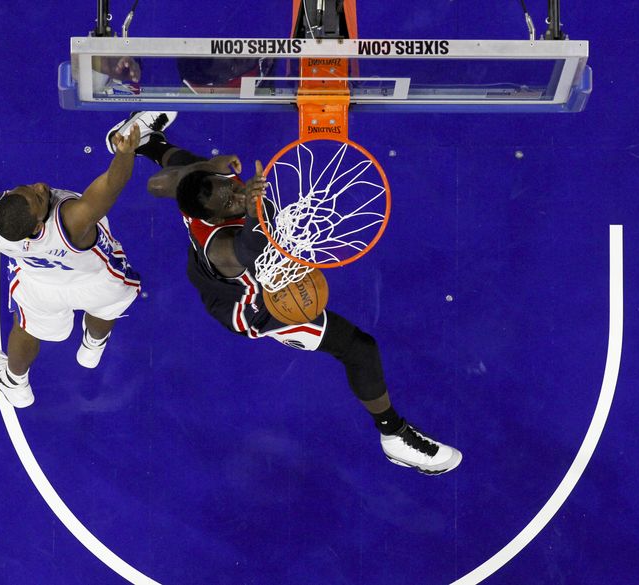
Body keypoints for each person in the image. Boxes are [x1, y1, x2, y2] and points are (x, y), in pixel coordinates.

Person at [106, 112, 463, 474]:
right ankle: (394, 437)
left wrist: (202, 162)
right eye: (229, 203)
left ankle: (149, 141)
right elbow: (249, 247)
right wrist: (252, 212)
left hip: (216, 263)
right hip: (253, 306)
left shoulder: (211, 185)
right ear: (214, 219)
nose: (238, 195)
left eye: (232, 188)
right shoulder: (225, 247)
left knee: (186, 163)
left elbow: (159, 184)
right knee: (359, 348)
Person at [0, 104, 142, 408]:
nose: (40, 186)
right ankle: (93, 345)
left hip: (39, 287)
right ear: (39, 224)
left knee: (26, 328)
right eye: (39, 196)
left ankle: (15, 381)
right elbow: (112, 185)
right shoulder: (72, 220)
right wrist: (124, 155)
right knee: (106, 305)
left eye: (29, 189)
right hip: (94, 278)